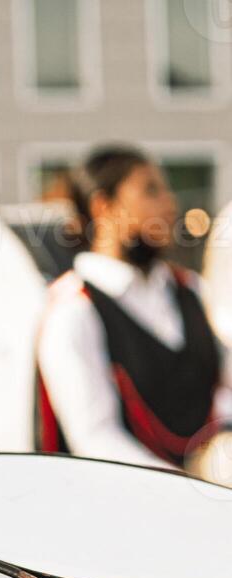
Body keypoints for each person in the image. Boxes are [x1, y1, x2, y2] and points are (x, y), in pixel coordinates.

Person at [39, 145, 232, 469]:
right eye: (150, 190)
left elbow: (223, 388)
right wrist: (192, 486)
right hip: (127, 502)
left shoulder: (190, 288)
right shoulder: (74, 310)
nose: (170, 203)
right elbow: (96, 440)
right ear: (104, 206)